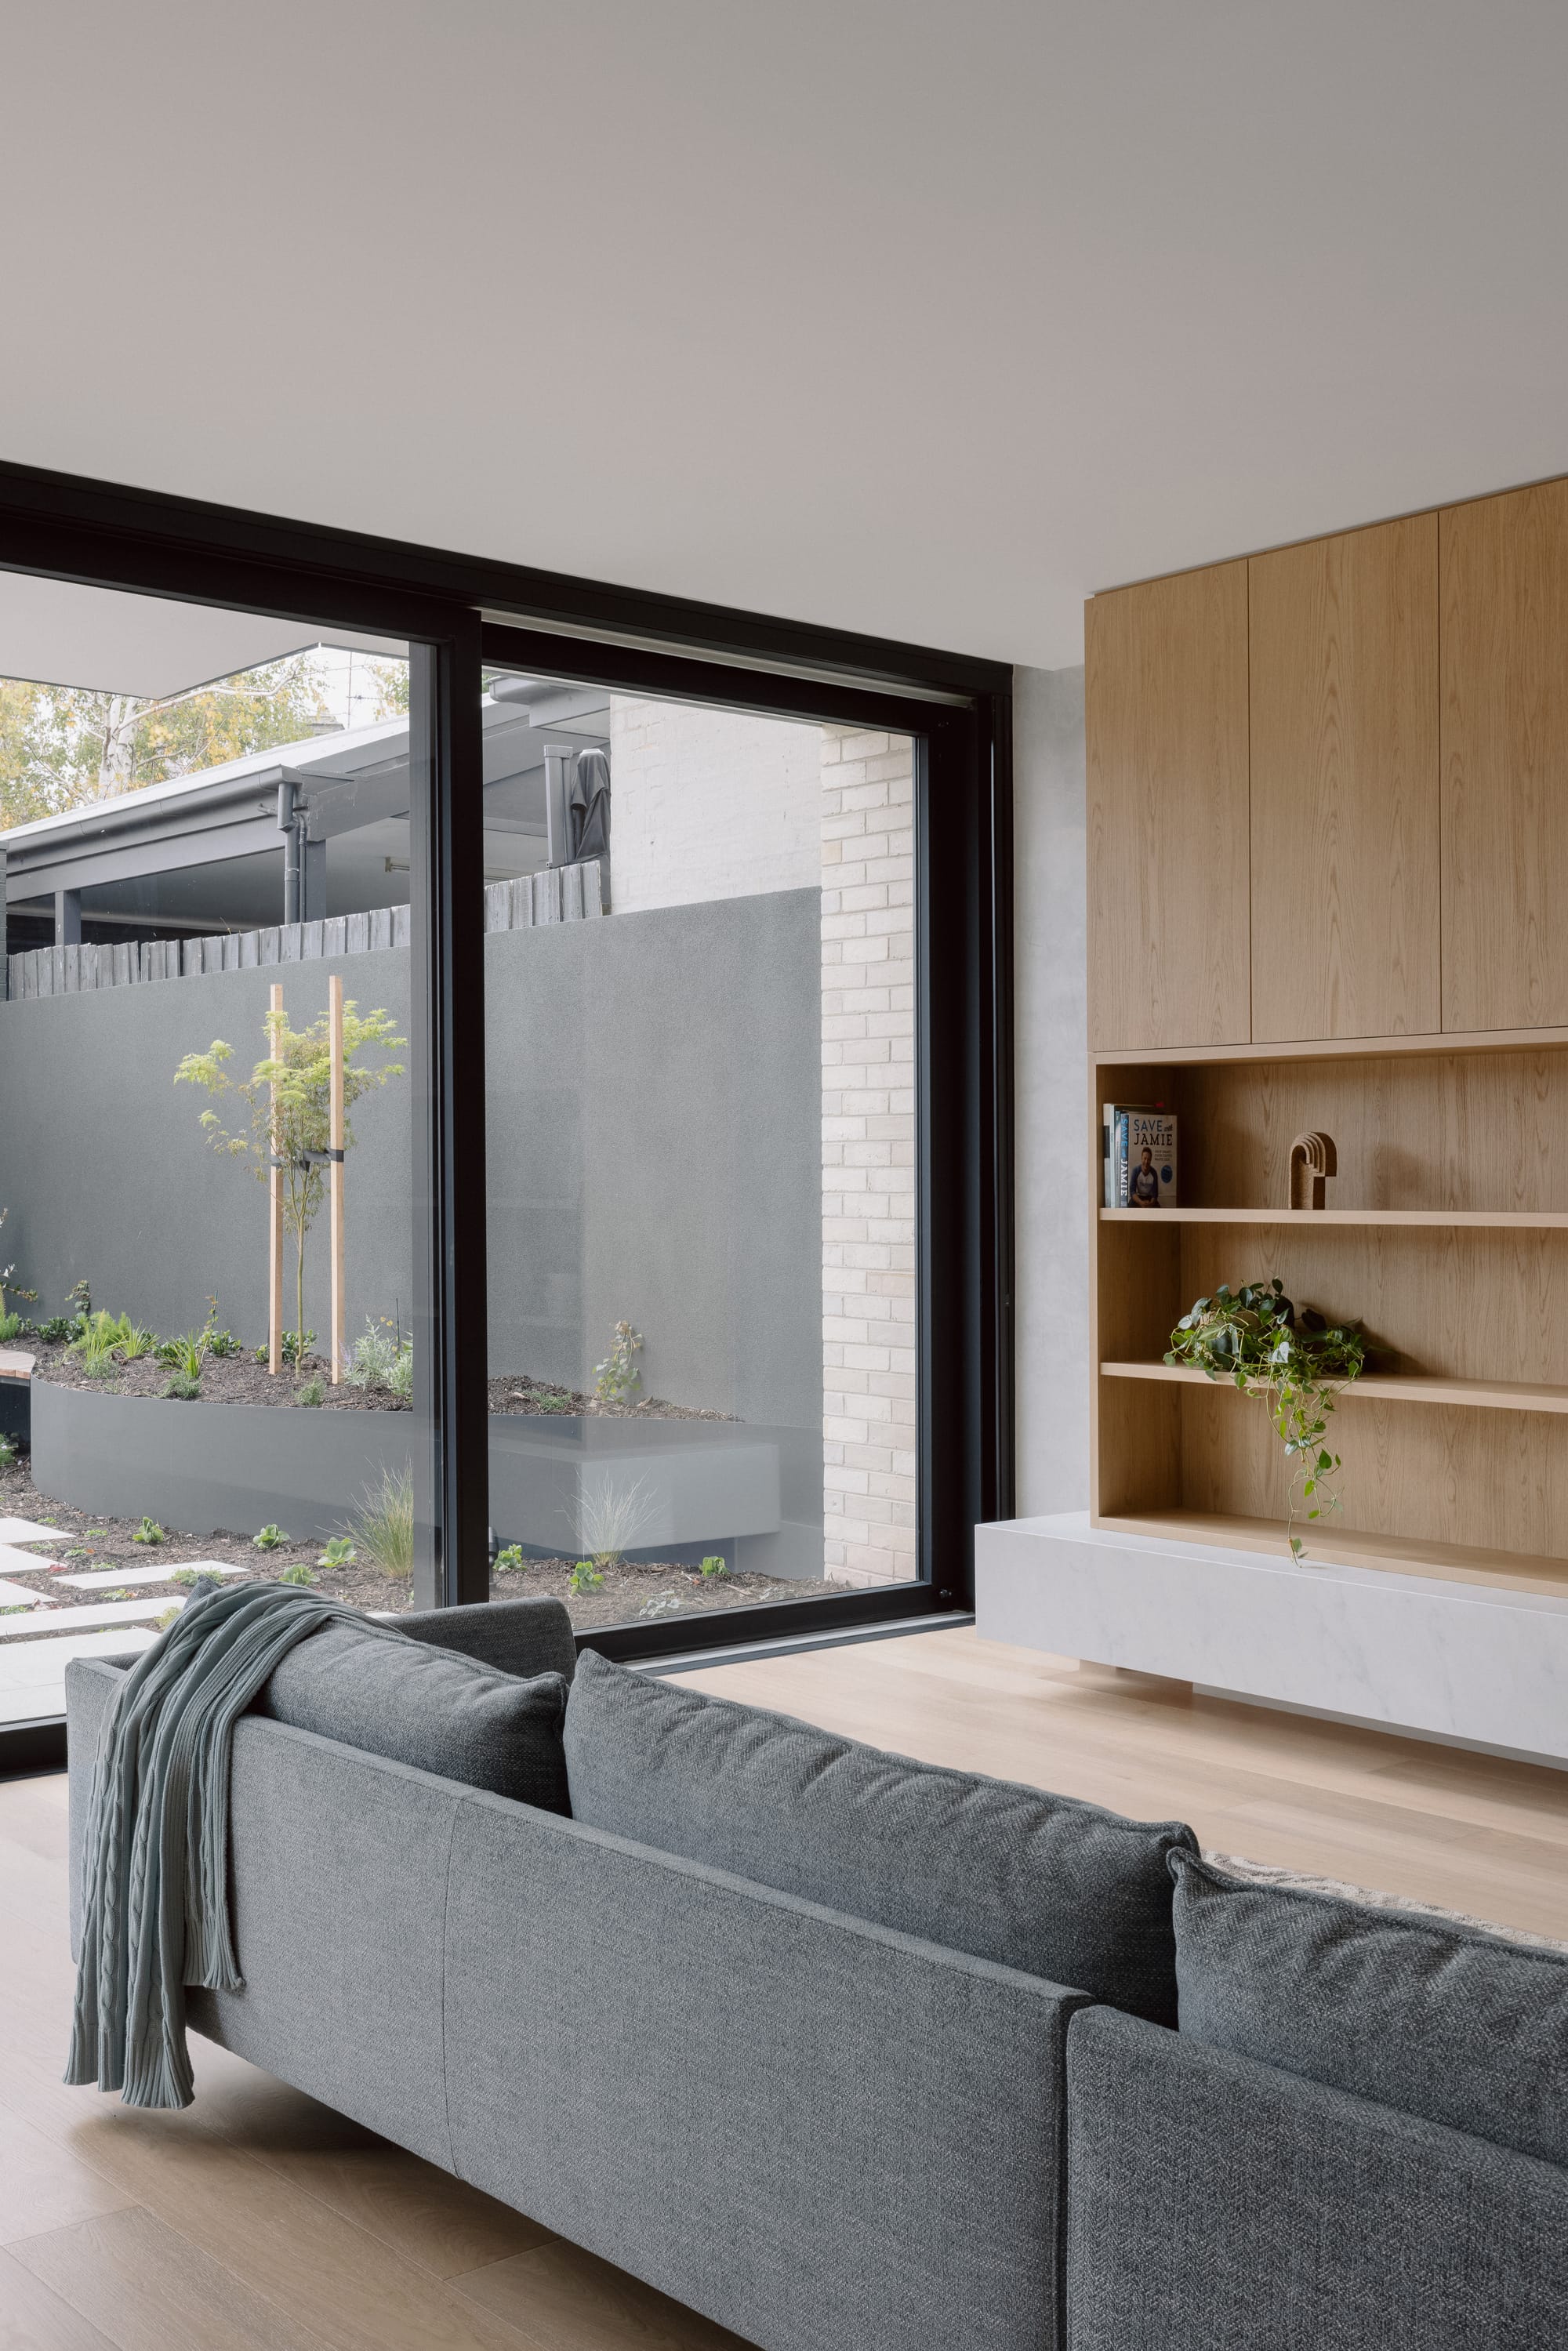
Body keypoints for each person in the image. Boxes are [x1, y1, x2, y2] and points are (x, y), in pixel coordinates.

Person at [1127, 1143, 1160, 1207]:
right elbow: (1132, 1191)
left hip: (1149, 1198)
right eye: (1145, 1158)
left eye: (1148, 1159)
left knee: (1158, 1207)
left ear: (1151, 1160)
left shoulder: (1154, 1173)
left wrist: (1150, 1204)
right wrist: (1141, 1203)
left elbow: (1155, 1194)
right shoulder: (1136, 1171)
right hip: (1139, 1197)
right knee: (1130, 1205)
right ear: (1141, 1158)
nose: (1146, 1162)